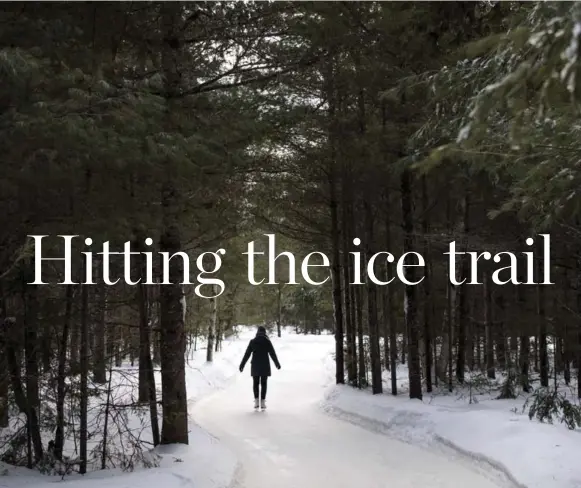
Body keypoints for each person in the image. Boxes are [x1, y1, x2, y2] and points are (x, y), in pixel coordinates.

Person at [239, 325, 281, 410]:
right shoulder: (267, 342)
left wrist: (242, 365)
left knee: (256, 383)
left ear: (257, 332)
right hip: (265, 366)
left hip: (255, 366)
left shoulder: (253, 341)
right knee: (264, 383)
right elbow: (273, 354)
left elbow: (247, 354)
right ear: (265, 333)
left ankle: (256, 401)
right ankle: (263, 401)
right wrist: (277, 364)